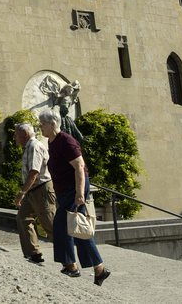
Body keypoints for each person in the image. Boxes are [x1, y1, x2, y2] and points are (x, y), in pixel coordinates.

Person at [37, 108, 111, 286]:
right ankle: (99, 269)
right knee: (77, 228)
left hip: (74, 189)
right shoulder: (52, 142)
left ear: (53, 123)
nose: (40, 127)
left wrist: (79, 194)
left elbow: (79, 167)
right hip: (65, 190)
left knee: (61, 225)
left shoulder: (66, 141)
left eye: (43, 124)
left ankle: (71, 266)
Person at [13, 122, 56, 263]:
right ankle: (34, 253)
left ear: (24, 134)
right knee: (23, 217)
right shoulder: (28, 147)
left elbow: (34, 172)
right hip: (33, 189)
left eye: (16, 135)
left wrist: (22, 192)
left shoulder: (34, 146)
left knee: (50, 225)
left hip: (41, 189)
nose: (14, 138)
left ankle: (68, 257)